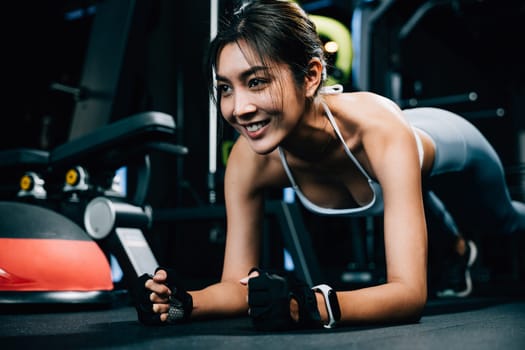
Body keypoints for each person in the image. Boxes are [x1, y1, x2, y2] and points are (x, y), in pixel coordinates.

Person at [132, 0, 525, 329]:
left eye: (256, 82)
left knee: (504, 221)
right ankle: (456, 249)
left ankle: (465, 242)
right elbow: (237, 285)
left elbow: (409, 294)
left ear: (311, 76)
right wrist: (182, 302)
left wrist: (311, 304)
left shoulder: (378, 132)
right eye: (225, 89)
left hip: (450, 141)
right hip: (390, 166)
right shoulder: (248, 160)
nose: (239, 108)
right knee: (411, 196)